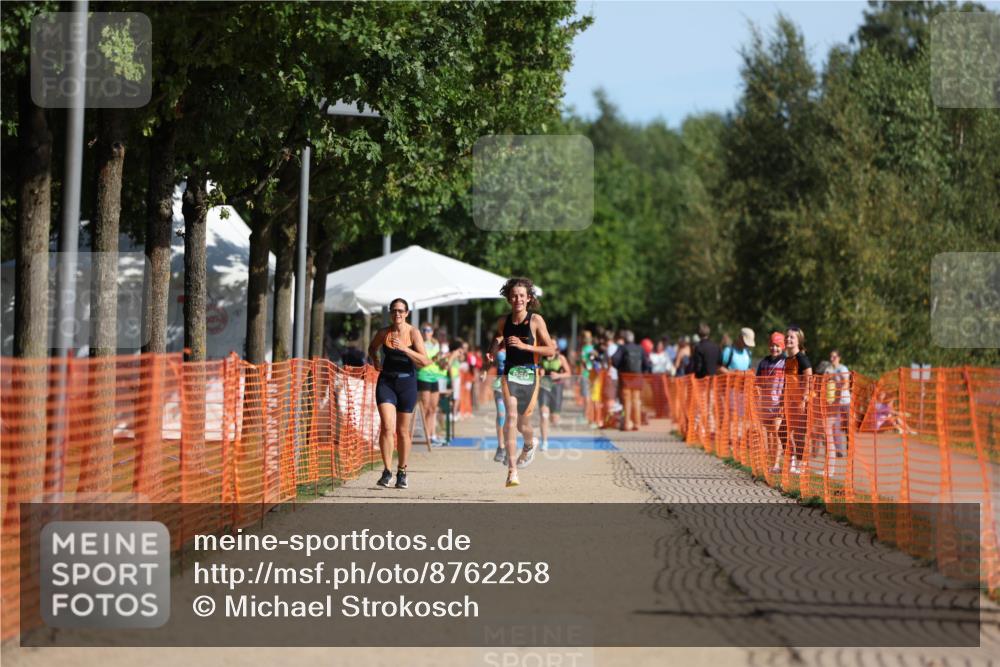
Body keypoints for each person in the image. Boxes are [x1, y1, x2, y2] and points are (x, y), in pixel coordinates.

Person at [487, 277, 557, 487]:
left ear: (528, 299)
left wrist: (526, 347)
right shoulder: (503, 321)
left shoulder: (536, 321)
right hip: (509, 374)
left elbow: (551, 350)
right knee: (510, 417)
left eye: (521, 296)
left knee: (522, 424)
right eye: (514, 296)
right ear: (509, 298)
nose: (517, 299)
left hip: (530, 374)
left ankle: (529, 443)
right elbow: (500, 336)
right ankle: (512, 470)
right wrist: (493, 348)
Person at [367, 298, 431, 489]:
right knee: (387, 426)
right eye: (394, 311)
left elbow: (425, 361)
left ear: (407, 313)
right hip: (386, 381)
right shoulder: (383, 332)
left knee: (402, 431)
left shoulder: (413, 333)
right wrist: (376, 360)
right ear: (390, 313)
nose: (397, 314)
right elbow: (372, 348)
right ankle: (387, 471)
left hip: (407, 383)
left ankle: (402, 471)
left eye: (401, 311)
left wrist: (404, 349)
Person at [783, 326, 813, 474]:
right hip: (790, 402)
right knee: (784, 431)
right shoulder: (787, 358)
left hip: (801, 402)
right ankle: (792, 463)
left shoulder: (802, 358)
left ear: (798, 341)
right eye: (787, 336)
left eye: (792, 337)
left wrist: (804, 399)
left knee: (799, 434)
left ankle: (801, 465)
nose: (788, 339)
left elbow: (809, 377)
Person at [756, 332, 787, 474]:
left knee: (777, 433)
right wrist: (757, 391)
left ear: (783, 347)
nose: (774, 348)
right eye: (772, 345)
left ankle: (776, 464)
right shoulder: (764, 362)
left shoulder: (786, 363)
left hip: (778, 404)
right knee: (768, 434)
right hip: (765, 404)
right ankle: (769, 461)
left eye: (777, 345)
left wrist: (784, 401)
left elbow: (789, 383)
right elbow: (758, 381)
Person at [612, 330, 649, 430]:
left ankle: (627, 424)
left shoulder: (622, 348)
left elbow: (614, 360)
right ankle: (637, 423)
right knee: (636, 400)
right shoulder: (640, 348)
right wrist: (642, 372)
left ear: (625, 339)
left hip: (625, 377)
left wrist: (620, 369)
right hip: (637, 377)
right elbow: (646, 363)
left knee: (627, 401)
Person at [416, 323, 444, 445]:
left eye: (429, 330)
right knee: (425, 407)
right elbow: (423, 360)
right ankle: (425, 435)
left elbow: (438, 361)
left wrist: (442, 360)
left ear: (432, 332)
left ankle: (432, 435)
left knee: (433, 408)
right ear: (421, 332)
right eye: (424, 330)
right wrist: (434, 358)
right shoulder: (419, 343)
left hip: (435, 377)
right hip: (423, 376)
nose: (426, 332)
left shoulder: (436, 343)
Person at [538, 347, 572, 449]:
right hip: (544, 386)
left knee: (554, 419)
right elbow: (537, 369)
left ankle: (553, 419)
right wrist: (540, 372)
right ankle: (544, 441)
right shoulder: (541, 358)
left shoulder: (561, 358)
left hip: (557, 387)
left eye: (553, 344)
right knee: (544, 415)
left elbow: (569, 373)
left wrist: (558, 375)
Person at [823, 350, 851, 464]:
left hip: (845, 401)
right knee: (836, 426)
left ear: (839, 358)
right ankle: (838, 450)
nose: (832, 359)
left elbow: (846, 382)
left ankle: (850, 447)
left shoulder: (842, 369)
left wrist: (839, 390)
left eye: (834, 357)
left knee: (848, 426)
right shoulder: (829, 369)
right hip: (834, 403)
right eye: (831, 356)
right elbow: (824, 382)